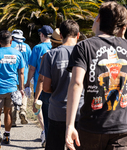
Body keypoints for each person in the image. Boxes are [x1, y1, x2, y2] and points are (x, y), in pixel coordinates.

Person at [66, 2, 127, 150]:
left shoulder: (84, 47)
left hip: (91, 126)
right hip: (122, 128)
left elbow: (76, 84)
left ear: (98, 18)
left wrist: (70, 125)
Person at [40, 21, 83, 150]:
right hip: (80, 111)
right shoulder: (85, 53)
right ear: (78, 35)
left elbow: (46, 87)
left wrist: (58, 89)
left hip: (57, 111)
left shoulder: (50, 55)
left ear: (60, 36)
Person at [0, 30, 25, 149]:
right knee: (8, 112)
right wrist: (21, 88)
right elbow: (21, 72)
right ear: (11, 41)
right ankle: (7, 135)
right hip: (12, 88)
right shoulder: (17, 54)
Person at [25, 25, 53, 147]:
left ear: (42, 35)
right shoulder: (56, 46)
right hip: (55, 86)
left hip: (40, 85)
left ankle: (45, 133)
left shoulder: (37, 48)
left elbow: (32, 68)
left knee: (41, 110)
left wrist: (27, 83)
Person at [33, 28, 62, 145]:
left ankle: (49, 141)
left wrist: (36, 98)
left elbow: (41, 79)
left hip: (49, 93)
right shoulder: (74, 53)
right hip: (66, 93)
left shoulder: (47, 55)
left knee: (49, 123)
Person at [11, 29, 32, 126]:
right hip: (25, 73)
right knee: (23, 93)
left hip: (13, 74)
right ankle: (23, 110)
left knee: (12, 95)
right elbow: (30, 61)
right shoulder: (27, 47)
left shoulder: (11, 45)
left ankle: (13, 118)